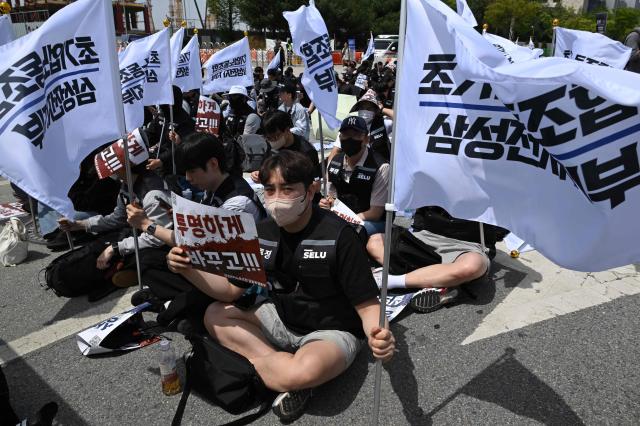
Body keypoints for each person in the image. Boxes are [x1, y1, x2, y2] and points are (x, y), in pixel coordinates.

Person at [167, 150, 395, 422]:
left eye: (287, 189)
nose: (276, 199)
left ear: (311, 190)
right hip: (281, 319)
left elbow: (368, 305)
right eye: (270, 189)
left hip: (330, 330)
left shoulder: (341, 237)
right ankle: (280, 372)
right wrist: (189, 269)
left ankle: (281, 375)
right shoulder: (261, 232)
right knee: (214, 314)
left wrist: (378, 335)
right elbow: (230, 291)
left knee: (302, 372)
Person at [127, 132, 266, 308]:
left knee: (158, 261)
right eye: (185, 171)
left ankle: (175, 304)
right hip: (219, 257)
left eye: (192, 171)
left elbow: (196, 245)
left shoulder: (235, 204)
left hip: (239, 279)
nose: (188, 178)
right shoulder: (217, 185)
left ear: (213, 164)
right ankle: (175, 301)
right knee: (149, 258)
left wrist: (147, 225)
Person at [58, 149, 173, 302]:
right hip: (135, 234)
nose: (111, 173)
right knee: (97, 248)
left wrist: (116, 248)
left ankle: (128, 270)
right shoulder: (126, 186)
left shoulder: (152, 194)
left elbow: (158, 238)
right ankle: (123, 269)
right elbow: (117, 219)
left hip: (161, 244)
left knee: (141, 258)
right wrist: (81, 225)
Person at [366, 206, 493, 313]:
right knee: (376, 242)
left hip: (467, 243)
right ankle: (444, 282)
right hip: (425, 234)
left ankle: (392, 281)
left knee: (472, 266)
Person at [321, 116, 389, 237]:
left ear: (366, 139)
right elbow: (331, 199)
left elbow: (375, 213)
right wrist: (327, 204)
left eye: (356, 135)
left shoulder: (381, 167)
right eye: (346, 134)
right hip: (343, 217)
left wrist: (348, 220)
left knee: (348, 233)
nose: (350, 139)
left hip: (371, 221)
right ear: (340, 137)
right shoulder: (334, 162)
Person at [250, 110, 320, 188]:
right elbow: (265, 168)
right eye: (268, 138)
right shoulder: (272, 146)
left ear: (287, 130)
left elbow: (316, 185)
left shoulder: (306, 151)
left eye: (276, 136)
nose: (272, 141)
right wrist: (259, 175)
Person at [350, 89, 393, 161]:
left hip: (382, 167)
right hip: (359, 168)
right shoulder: (350, 125)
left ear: (375, 111)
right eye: (362, 108)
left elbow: (400, 119)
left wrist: (382, 109)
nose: (365, 111)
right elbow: (336, 150)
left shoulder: (384, 123)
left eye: (369, 108)